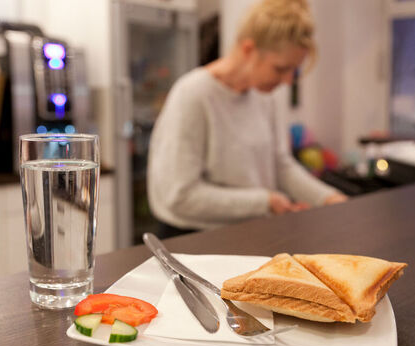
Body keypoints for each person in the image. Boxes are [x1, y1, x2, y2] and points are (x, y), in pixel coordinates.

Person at [147, 0, 347, 238]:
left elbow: (280, 165)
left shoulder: (265, 96)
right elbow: (180, 196)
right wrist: (265, 201)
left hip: (249, 233)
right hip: (193, 240)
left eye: (291, 71)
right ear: (248, 49)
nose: (286, 82)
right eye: (280, 69)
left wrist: (330, 199)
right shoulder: (193, 94)